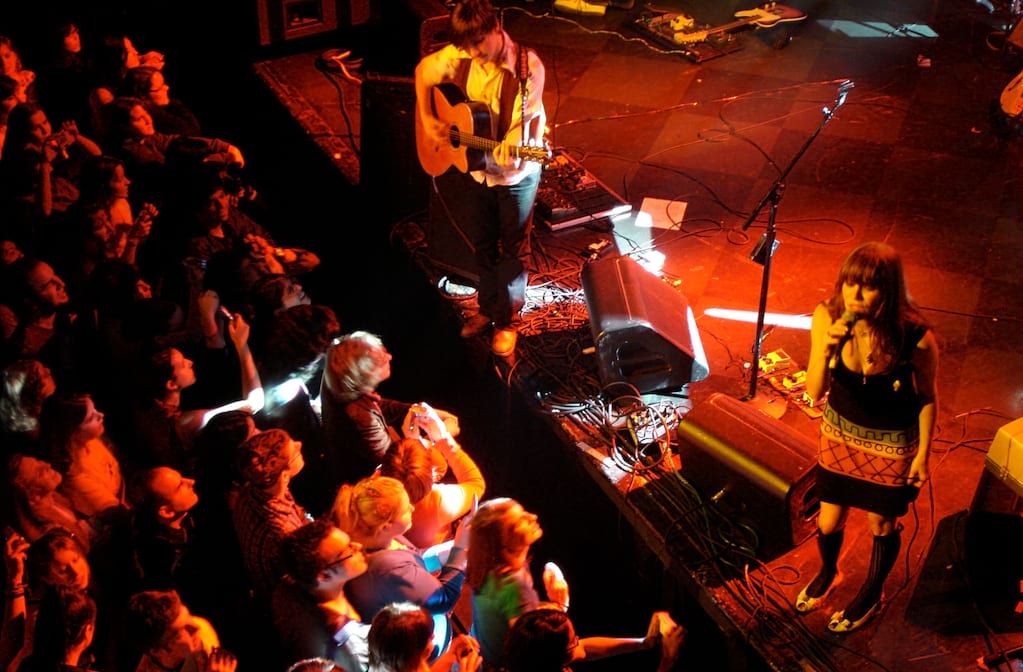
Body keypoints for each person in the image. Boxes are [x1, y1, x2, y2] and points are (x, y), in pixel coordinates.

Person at [796, 241, 938, 633]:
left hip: (891, 441)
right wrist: (825, 350)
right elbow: (814, 391)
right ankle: (829, 572)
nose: (854, 294)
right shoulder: (827, 315)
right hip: (840, 433)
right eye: (849, 283)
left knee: (881, 523)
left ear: (888, 290)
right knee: (828, 520)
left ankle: (872, 595)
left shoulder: (916, 336)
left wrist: (923, 455)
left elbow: (927, 397)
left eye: (868, 287)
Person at [414, 0, 547, 357]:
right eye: (467, 47)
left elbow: (519, 133)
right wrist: (429, 120)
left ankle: (508, 322)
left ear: (495, 29)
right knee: (482, 243)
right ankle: (488, 309)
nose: (472, 53)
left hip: (516, 171)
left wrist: (508, 151)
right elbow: (424, 71)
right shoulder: (463, 52)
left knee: (514, 250)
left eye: (478, 44)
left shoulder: (528, 69)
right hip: (478, 169)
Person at [330, 476, 470, 659]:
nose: (412, 508)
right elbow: (444, 600)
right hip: (404, 647)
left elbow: (413, 557)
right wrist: (461, 550)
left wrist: (446, 552)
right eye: (405, 509)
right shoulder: (387, 569)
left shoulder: (378, 538)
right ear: (386, 525)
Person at [319, 332, 459, 488]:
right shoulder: (362, 419)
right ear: (365, 378)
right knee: (438, 464)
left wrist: (412, 410)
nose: (389, 357)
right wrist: (437, 440)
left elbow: (377, 404)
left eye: (383, 351)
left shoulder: (340, 370)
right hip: (365, 479)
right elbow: (395, 463)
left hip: (353, 451)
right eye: (380, 360)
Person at [464, 497, 567, 669]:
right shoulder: (514, 586)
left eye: (524, 512)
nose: (532, 517)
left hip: (481, 649)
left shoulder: (489, 566)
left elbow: (507, 611)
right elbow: (528, 648)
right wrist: (560, 605)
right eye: (519, 522)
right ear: (505, 544)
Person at [378, 404, 485, 549]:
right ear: (430, 475)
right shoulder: (439, 501)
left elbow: (436, 467)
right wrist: (442, 439)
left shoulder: (374, 487)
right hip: (436, 557)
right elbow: (476, 483)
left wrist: (414, 441)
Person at [272, 518, 369, 672]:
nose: (359, 546)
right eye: (349, 550)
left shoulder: (293, 584)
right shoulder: (331, 646)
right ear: (324, 576)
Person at [503, 606, 685, 672]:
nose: (579, 641)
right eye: (573, 641)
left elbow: (584, 649)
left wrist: (644, 642)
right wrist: (667, 661)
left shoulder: (528, 656)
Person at [123, 589, 238, 672]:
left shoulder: (201, 630)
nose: (196, 627)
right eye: (184, 629)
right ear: (157, 651)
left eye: (189, 616)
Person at [366, 602, 481, 672]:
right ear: (414, 656)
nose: (434, 636)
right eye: (430, 637)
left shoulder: (384, 657)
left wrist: (452, 650)